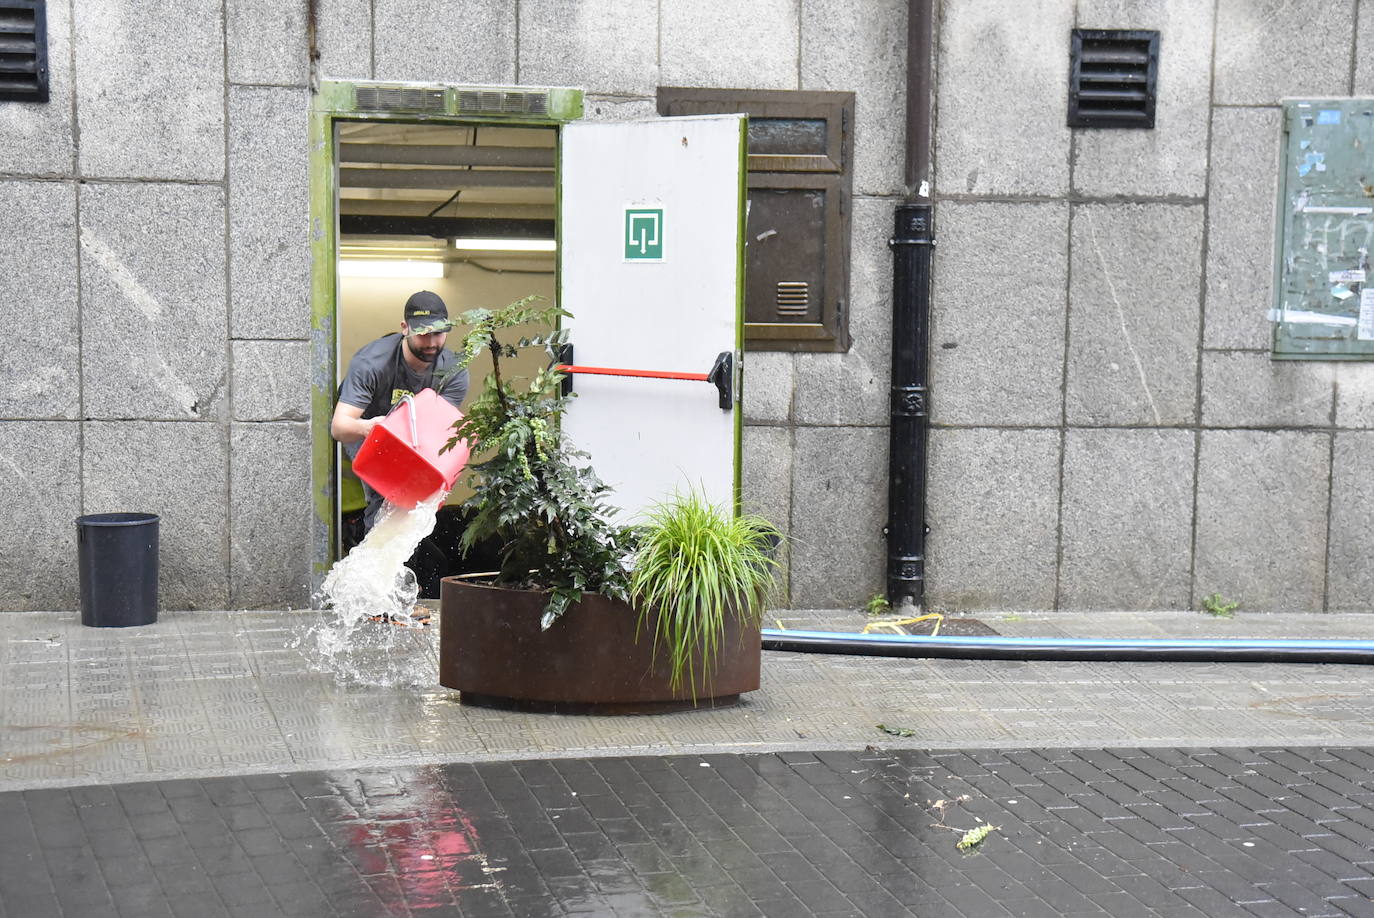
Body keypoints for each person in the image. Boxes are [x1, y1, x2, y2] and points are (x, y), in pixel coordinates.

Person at [331, 290, 469, 535]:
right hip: (367, 425)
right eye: (423, 333)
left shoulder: (454, 371)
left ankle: (411, 559)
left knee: (420, 492)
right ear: (405, 328)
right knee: (385, 491)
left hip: (416, 435)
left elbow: (437, 433)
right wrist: (370, 427)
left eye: (438, 333)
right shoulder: (372, 363)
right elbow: (340, 427)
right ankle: (374, 556)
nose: (431, 342)